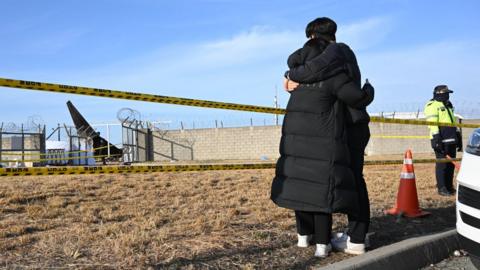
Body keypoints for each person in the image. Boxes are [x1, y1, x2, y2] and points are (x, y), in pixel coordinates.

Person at [271, 17, 374, 258]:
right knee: (351, 181)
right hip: (343, 125)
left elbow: (316, 76)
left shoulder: (328, 57)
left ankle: (353, 239)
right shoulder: (341, 54)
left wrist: (290, 77)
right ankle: (355, 238)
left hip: (344, 126)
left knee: (347, 181)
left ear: (312, 37)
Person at [424, 85, 462, 196]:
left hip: (451, 139)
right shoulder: (432, 105)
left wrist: (457, 136)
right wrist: (436, 138)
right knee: (442, 165)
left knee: (450, 165)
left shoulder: (448, 105)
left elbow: (452, 121)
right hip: (440, 139)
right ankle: (442, 188)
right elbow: (432, 123)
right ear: (440, 94)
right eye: (446, 93)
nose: (448, 96)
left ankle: (449, 187)